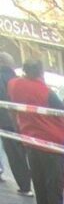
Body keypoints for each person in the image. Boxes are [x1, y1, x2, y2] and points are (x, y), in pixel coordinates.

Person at [7, 60, 64, 204]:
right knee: (54, 180)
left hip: (29, 137)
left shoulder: (14, 85)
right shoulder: (44, 91)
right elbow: (62, 110)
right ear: (40, 72)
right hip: (51, 139)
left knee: (38, 177)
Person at [0, 53, 32, 196]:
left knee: (15, 156)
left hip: (7, 123)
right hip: (25, 122)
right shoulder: (18, 79)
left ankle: (25, 186)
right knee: (29, 153)